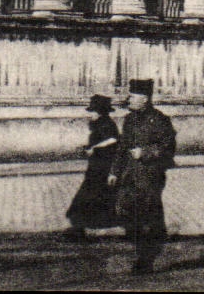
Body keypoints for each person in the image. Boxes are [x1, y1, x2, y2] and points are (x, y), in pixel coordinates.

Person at [111, 78, 177, 274]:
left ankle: (146, 258)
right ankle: (147, 248)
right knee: (125, 211)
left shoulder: (160, 120)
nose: (128, 99)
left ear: (145, 99)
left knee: (148, 215)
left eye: (132, 96)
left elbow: (168, 148)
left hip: (150, 175)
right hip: (130, 174)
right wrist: (114, 171)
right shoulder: (130, 120)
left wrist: (145, 153)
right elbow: (122, 147)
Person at [66, 94, 121, 235]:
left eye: (93, 111)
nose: (91, 114)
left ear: (100, 111)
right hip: (97, 165)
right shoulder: (100, 124)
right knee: (92, 194)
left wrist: (94, 148)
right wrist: (89, 147)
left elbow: (113, 140)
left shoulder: (107, 123)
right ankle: (84, 225)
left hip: (104, 165)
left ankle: (83, 226)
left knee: (92, 194)